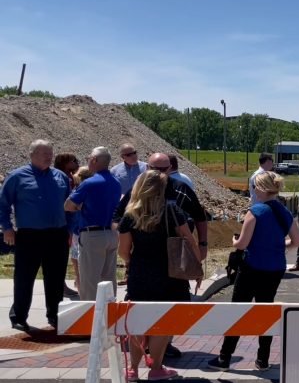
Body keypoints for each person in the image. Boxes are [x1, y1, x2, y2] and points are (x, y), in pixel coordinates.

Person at [113, 152, 209, 359]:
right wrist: (197, 265)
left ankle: (135, 368)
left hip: (143, 269)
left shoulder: (133, 210)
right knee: (166, 319)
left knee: (139, 318)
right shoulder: (172, 209)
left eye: (163, 169)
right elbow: (188, 238)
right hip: (171, 269)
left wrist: (131, 261)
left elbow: (122, 248)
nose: (159, 174)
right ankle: (156, 365)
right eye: (154, 169)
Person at [209, 172, 299, 371]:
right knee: (265, 310)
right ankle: (263, 359)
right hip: (275, 267)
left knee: (238, 310)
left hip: (252, 266)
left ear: (260, 188)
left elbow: (242, 243)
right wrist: (280, 245)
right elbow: (297, 241)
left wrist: (234, 241)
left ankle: (225, 357)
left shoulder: (255, 211)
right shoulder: (284, 212)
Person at [0, 140, 71, 331]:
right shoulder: (17, 177)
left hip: (57, 234)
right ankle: (19, 316)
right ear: (32, 155)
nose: (49, 156)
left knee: (55, 277)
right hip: (29, 235)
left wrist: (71, 230)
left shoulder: (61, 177)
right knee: (24, 277)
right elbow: (3, 204)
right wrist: (7, 228)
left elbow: (71, 206)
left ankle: (55, 315)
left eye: (50, 153)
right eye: (44, 153)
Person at [65, 147, 122, 301]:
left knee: (89, 281)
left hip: (92, 234)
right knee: (109, 279)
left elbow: (68, 205)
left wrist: (79, 205)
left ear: (95, 160)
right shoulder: (116, 183)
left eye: (89, 157)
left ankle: (89, 317)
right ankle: (110, 314)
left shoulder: (89, 183)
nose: (87, 160)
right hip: (111, 234)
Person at [54, 153, 81, 298]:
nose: (77, 163)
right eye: (74, 161)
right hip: (63, 223)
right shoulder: (61, 178)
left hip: (70, 222)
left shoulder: (69, 177)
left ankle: (60, 285)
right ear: (65, 163)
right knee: (60, 256)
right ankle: (60, 285)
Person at [68, 167, 95, 297]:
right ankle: (81, 285)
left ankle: (80, 287)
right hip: (85, 230)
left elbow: (69, 206)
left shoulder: (79, 191)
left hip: (79, 230)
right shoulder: (94, 191)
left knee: (77, 263)